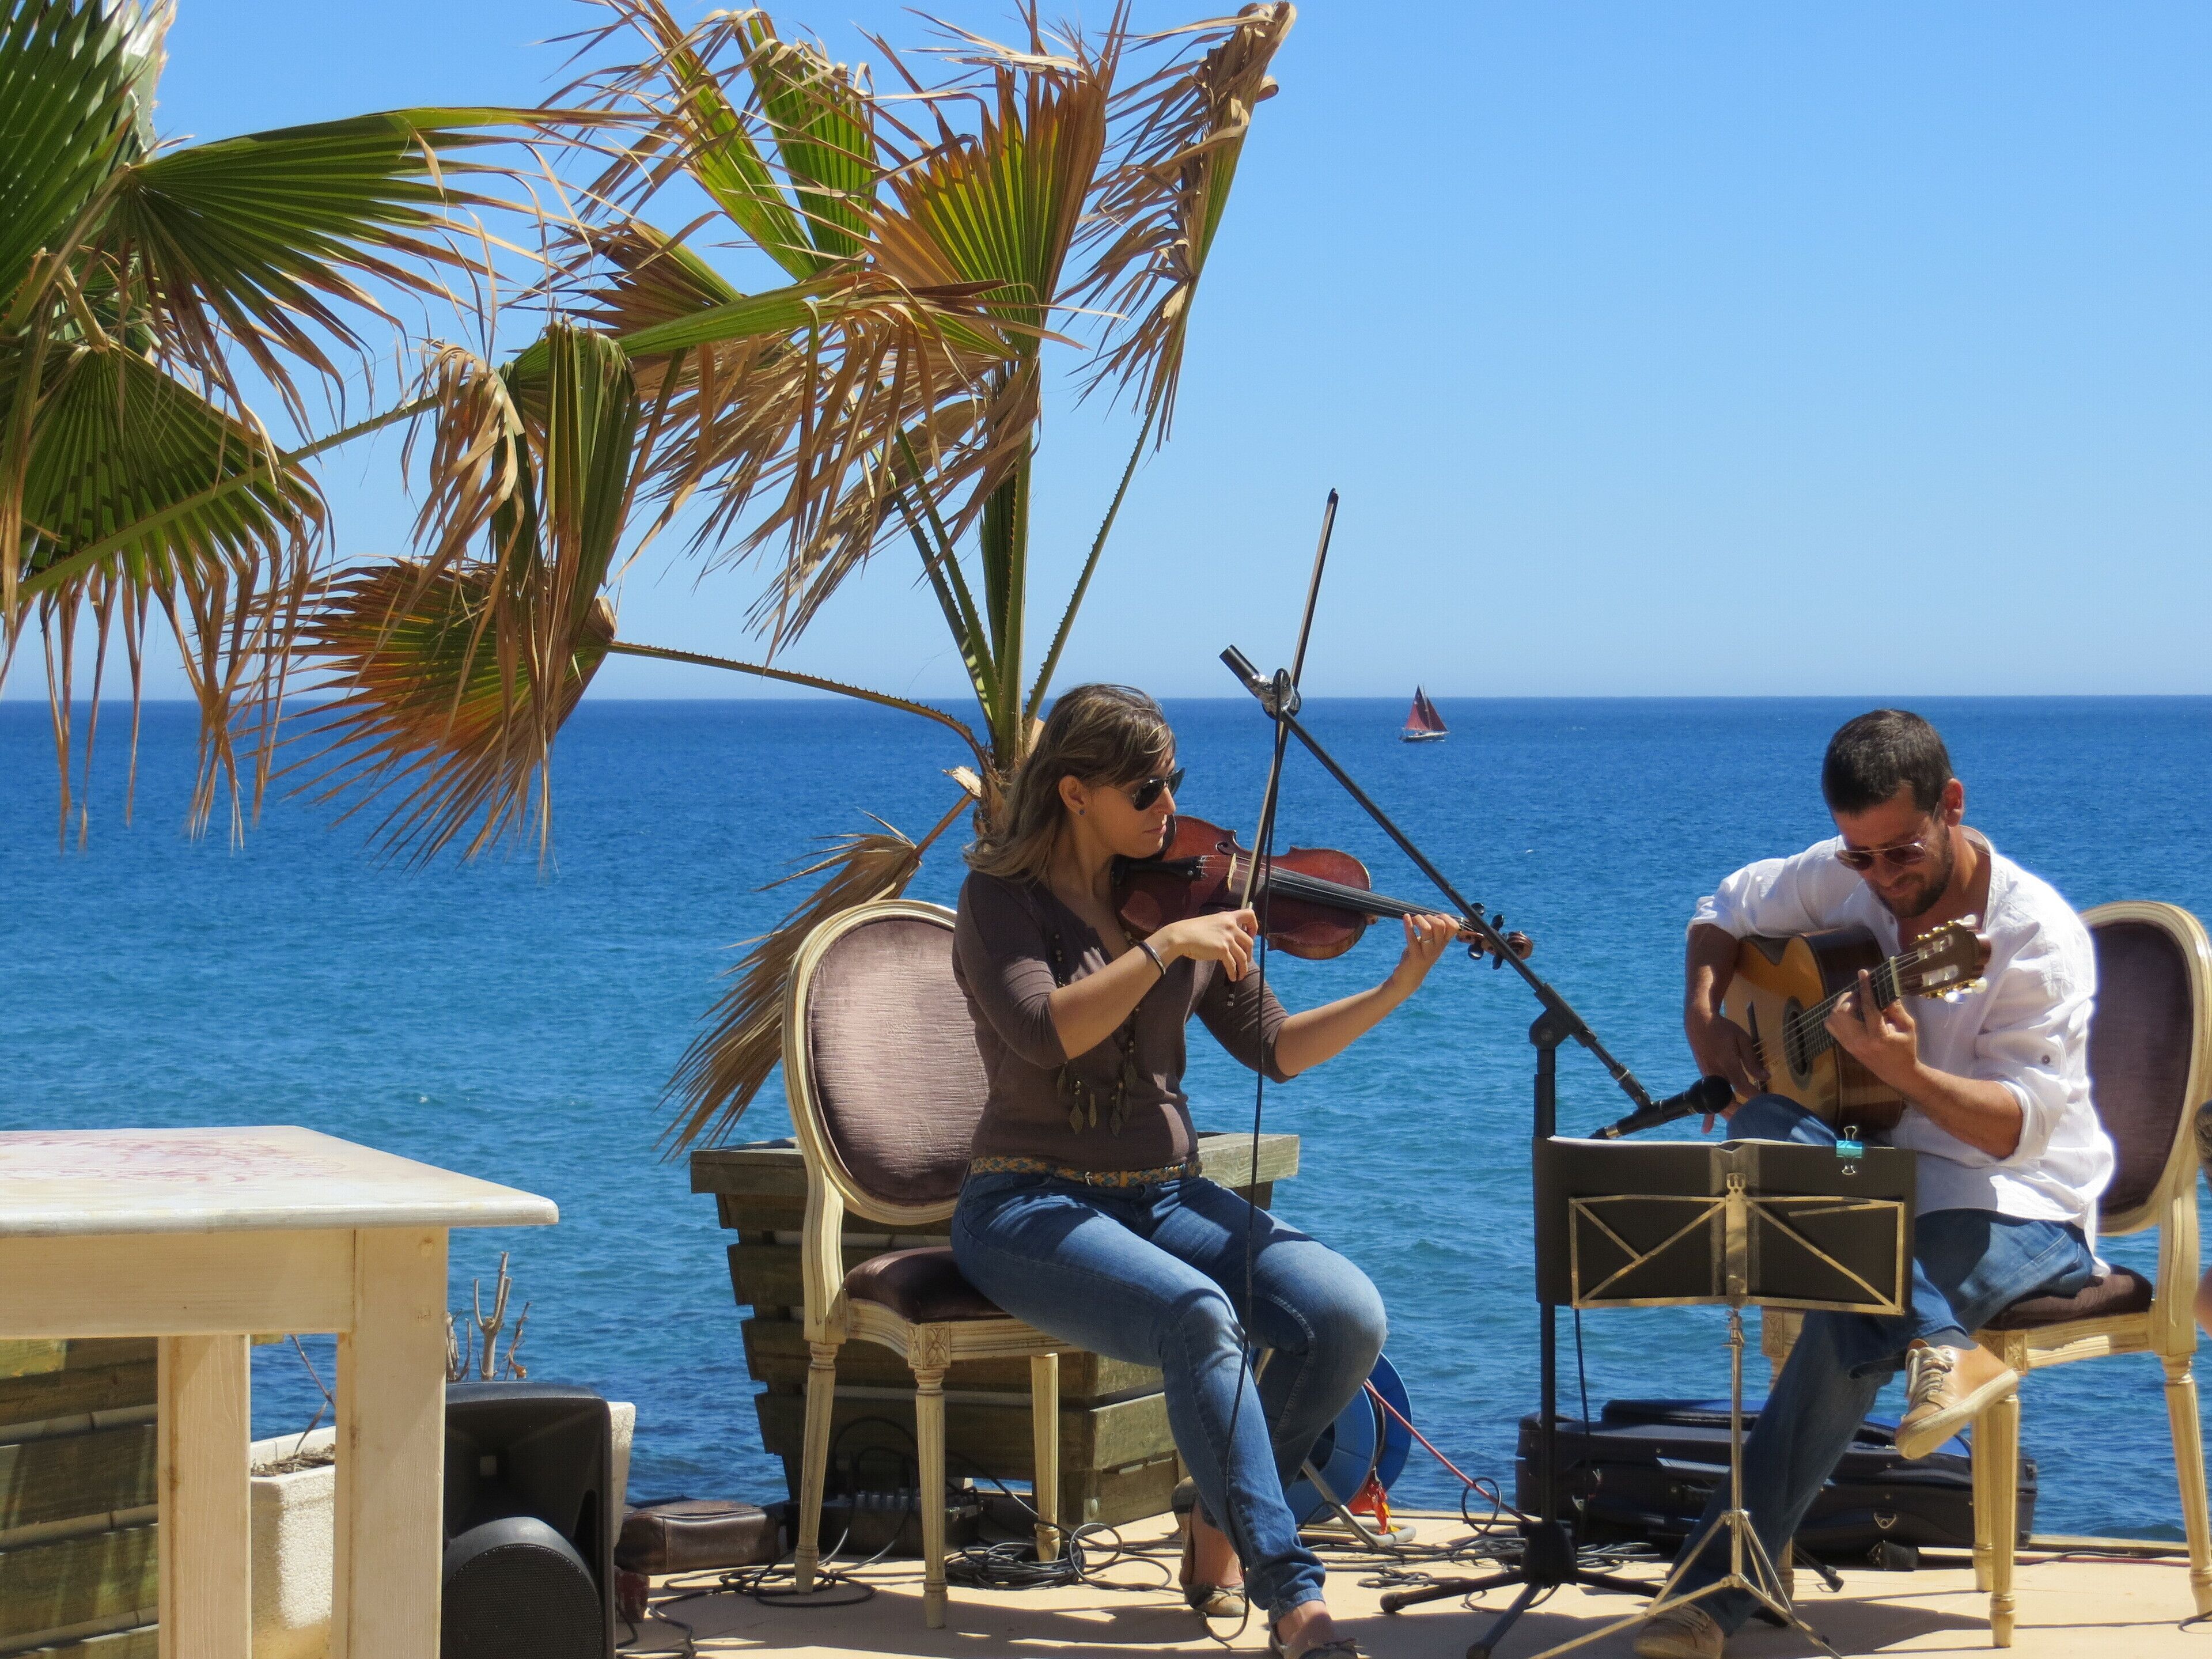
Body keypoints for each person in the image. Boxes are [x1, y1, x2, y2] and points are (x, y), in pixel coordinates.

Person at [950, 684, 1459, 1659]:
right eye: (1146, 788)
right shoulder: (999, 902)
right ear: (1073, 793)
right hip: (1026, 1200)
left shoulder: (1185, 893)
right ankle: (1294, 1596)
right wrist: (1163, 948)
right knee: (1197, 1315)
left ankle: (1218, 1512)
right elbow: (1046, 1031)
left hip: (1167, 1195)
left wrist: (1395, 986)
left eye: (1175, 781)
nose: (1170, 807)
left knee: (1346, 1317)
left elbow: (1276, 1048)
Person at [1634, 709, 2115, 1659]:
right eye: (1862, 860)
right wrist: (1704, 1021)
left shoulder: (2033, 938)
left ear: (1953, 805)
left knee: (1852, 1304)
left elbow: (2020, 1131)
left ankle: (1709, 1596)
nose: (1883, 882)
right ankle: (1940, 1339)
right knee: (1763, 1122)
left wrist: (1901, 1072)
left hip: (2018, 1203)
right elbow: (1723, 906)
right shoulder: (1846, 873)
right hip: (1871, 1173)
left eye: (1902, 854)